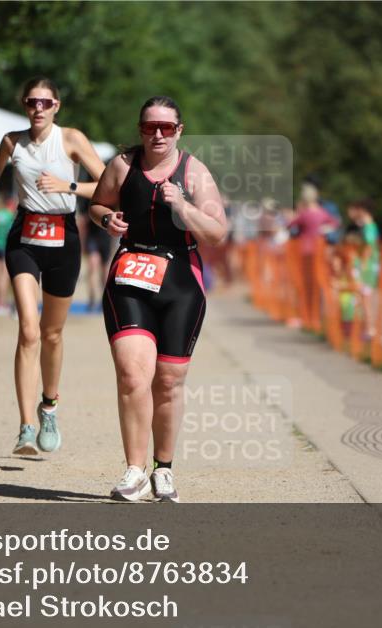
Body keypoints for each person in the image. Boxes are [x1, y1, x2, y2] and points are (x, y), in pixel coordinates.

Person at [90, 96, 228, 502]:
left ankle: (163, 470)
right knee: (133, 375)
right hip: (131, 274)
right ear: (140, 129)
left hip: (181, 282)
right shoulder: (122, 166)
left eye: (167, 127)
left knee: (168, 381)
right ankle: (135, 469)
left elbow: (218, 232)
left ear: (179, 130)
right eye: (151, 126)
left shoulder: (194, 172)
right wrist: (105, 218)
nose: (158, 134)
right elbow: (99, 203)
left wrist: (182, 206)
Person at [0, 76, 106, 456]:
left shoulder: (71, 140)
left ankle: (48, 406)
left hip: (63, 238)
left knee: (51, 333)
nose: (38, 108)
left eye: (45, 103)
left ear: (56, 107)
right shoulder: (12, 142)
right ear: (24, 104)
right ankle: (25, 427)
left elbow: (107, 185)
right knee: (28, 331)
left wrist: (67, 187)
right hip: (24, 239)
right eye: (32, 101)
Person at [288, 182, 337, 328]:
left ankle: (308, 315)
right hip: (319, 250)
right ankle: (316, 316)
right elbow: (335, 223)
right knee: (318, 282)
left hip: (305, 251)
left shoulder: (304, 214)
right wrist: (323, 230)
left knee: (306, 284)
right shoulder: (322, 212)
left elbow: (290, 224)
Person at [345, 198, 380, 339]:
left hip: (368, 267)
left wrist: (364, 265)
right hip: (366, 266)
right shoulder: (365, 226)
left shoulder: (369, 226)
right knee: (362, 297)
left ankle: (370, 329)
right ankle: (365, 327)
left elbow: (369, 247)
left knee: (365, 297)